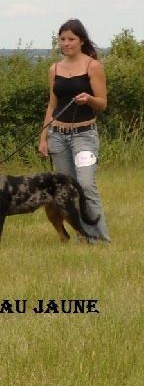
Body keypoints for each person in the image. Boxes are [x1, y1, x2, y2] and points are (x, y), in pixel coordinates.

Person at [38, 18, 110, 242]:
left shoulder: (92, 66)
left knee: (86, 185)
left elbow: (102, 103)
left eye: (71, 39)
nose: (66, 43)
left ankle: (100, 238)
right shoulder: (54, 69)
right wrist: (43, 138)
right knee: (67, 190)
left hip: (84, 136)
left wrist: (88, 99)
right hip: (58, 137)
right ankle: (83, 236)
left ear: (81, 41)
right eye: (62, 39)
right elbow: (52, 105)